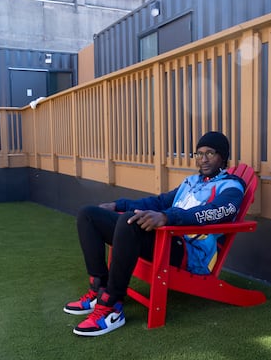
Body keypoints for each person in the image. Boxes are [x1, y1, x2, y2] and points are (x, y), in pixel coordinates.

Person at [64, 131, 246, 336]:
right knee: (88, 215)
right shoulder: (191, 182)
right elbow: (159, 202)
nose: (203, 159)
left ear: (223, 156)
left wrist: (168, 217)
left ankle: (111, 306)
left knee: (129, 222)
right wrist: (118, 205)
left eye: (210, 153)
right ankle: (99, 289)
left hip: (191, 253)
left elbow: (216, 212)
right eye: (199, 153)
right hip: (167, 238)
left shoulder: (232, 186)